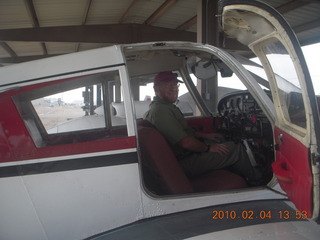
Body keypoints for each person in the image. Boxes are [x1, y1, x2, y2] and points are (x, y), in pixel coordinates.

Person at [144, 71, 262, 185]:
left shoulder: (165, 107)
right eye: (168, 85)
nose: (174, 88)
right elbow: (186, 142)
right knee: (235, 148)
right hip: (182, 164)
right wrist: (208, 148)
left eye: (175, 84)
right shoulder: (161, 111)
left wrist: (206, 136)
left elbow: (183, 132)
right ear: (156, 88)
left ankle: (238, 172)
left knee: (221, 141)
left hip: (182, 156)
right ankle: (256, 181)